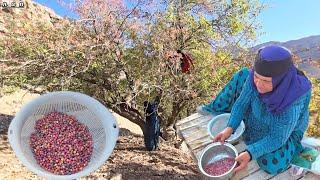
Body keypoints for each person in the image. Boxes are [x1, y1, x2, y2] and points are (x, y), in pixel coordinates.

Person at [198, 45, 312, 175]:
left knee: (271, 164)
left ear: (281, 81)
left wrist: (250, 153)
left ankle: (293, 146)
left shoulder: (292, 100)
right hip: (259, 112)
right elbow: (242, 102)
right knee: (243, 75)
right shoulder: (254, 78)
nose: (258, 84)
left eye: (265, 81)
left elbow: (277, 138)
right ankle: (215, 107)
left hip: (285, 132)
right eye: (257, 77)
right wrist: (230, 127)